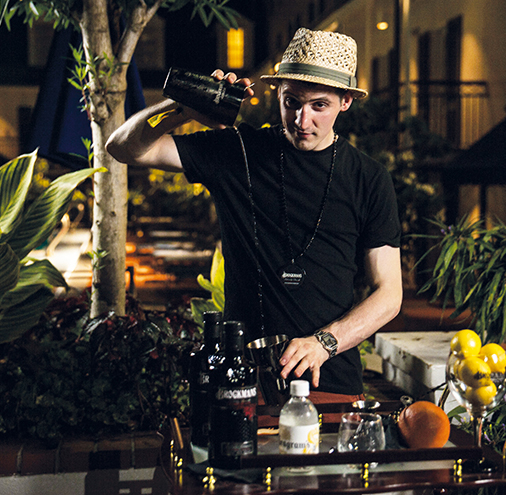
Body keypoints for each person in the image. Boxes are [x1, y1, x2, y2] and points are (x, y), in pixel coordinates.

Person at [106, 28, 402, 405]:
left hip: (331, 382)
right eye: (292, 102)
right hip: (242, 380)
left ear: (345, 102)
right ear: (278, 93)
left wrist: (324, 343)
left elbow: (389, 293)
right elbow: (123, 147)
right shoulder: (237, 151)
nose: (302, 120)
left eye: (319, 106)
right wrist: (185, 107)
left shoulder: (368, 178)